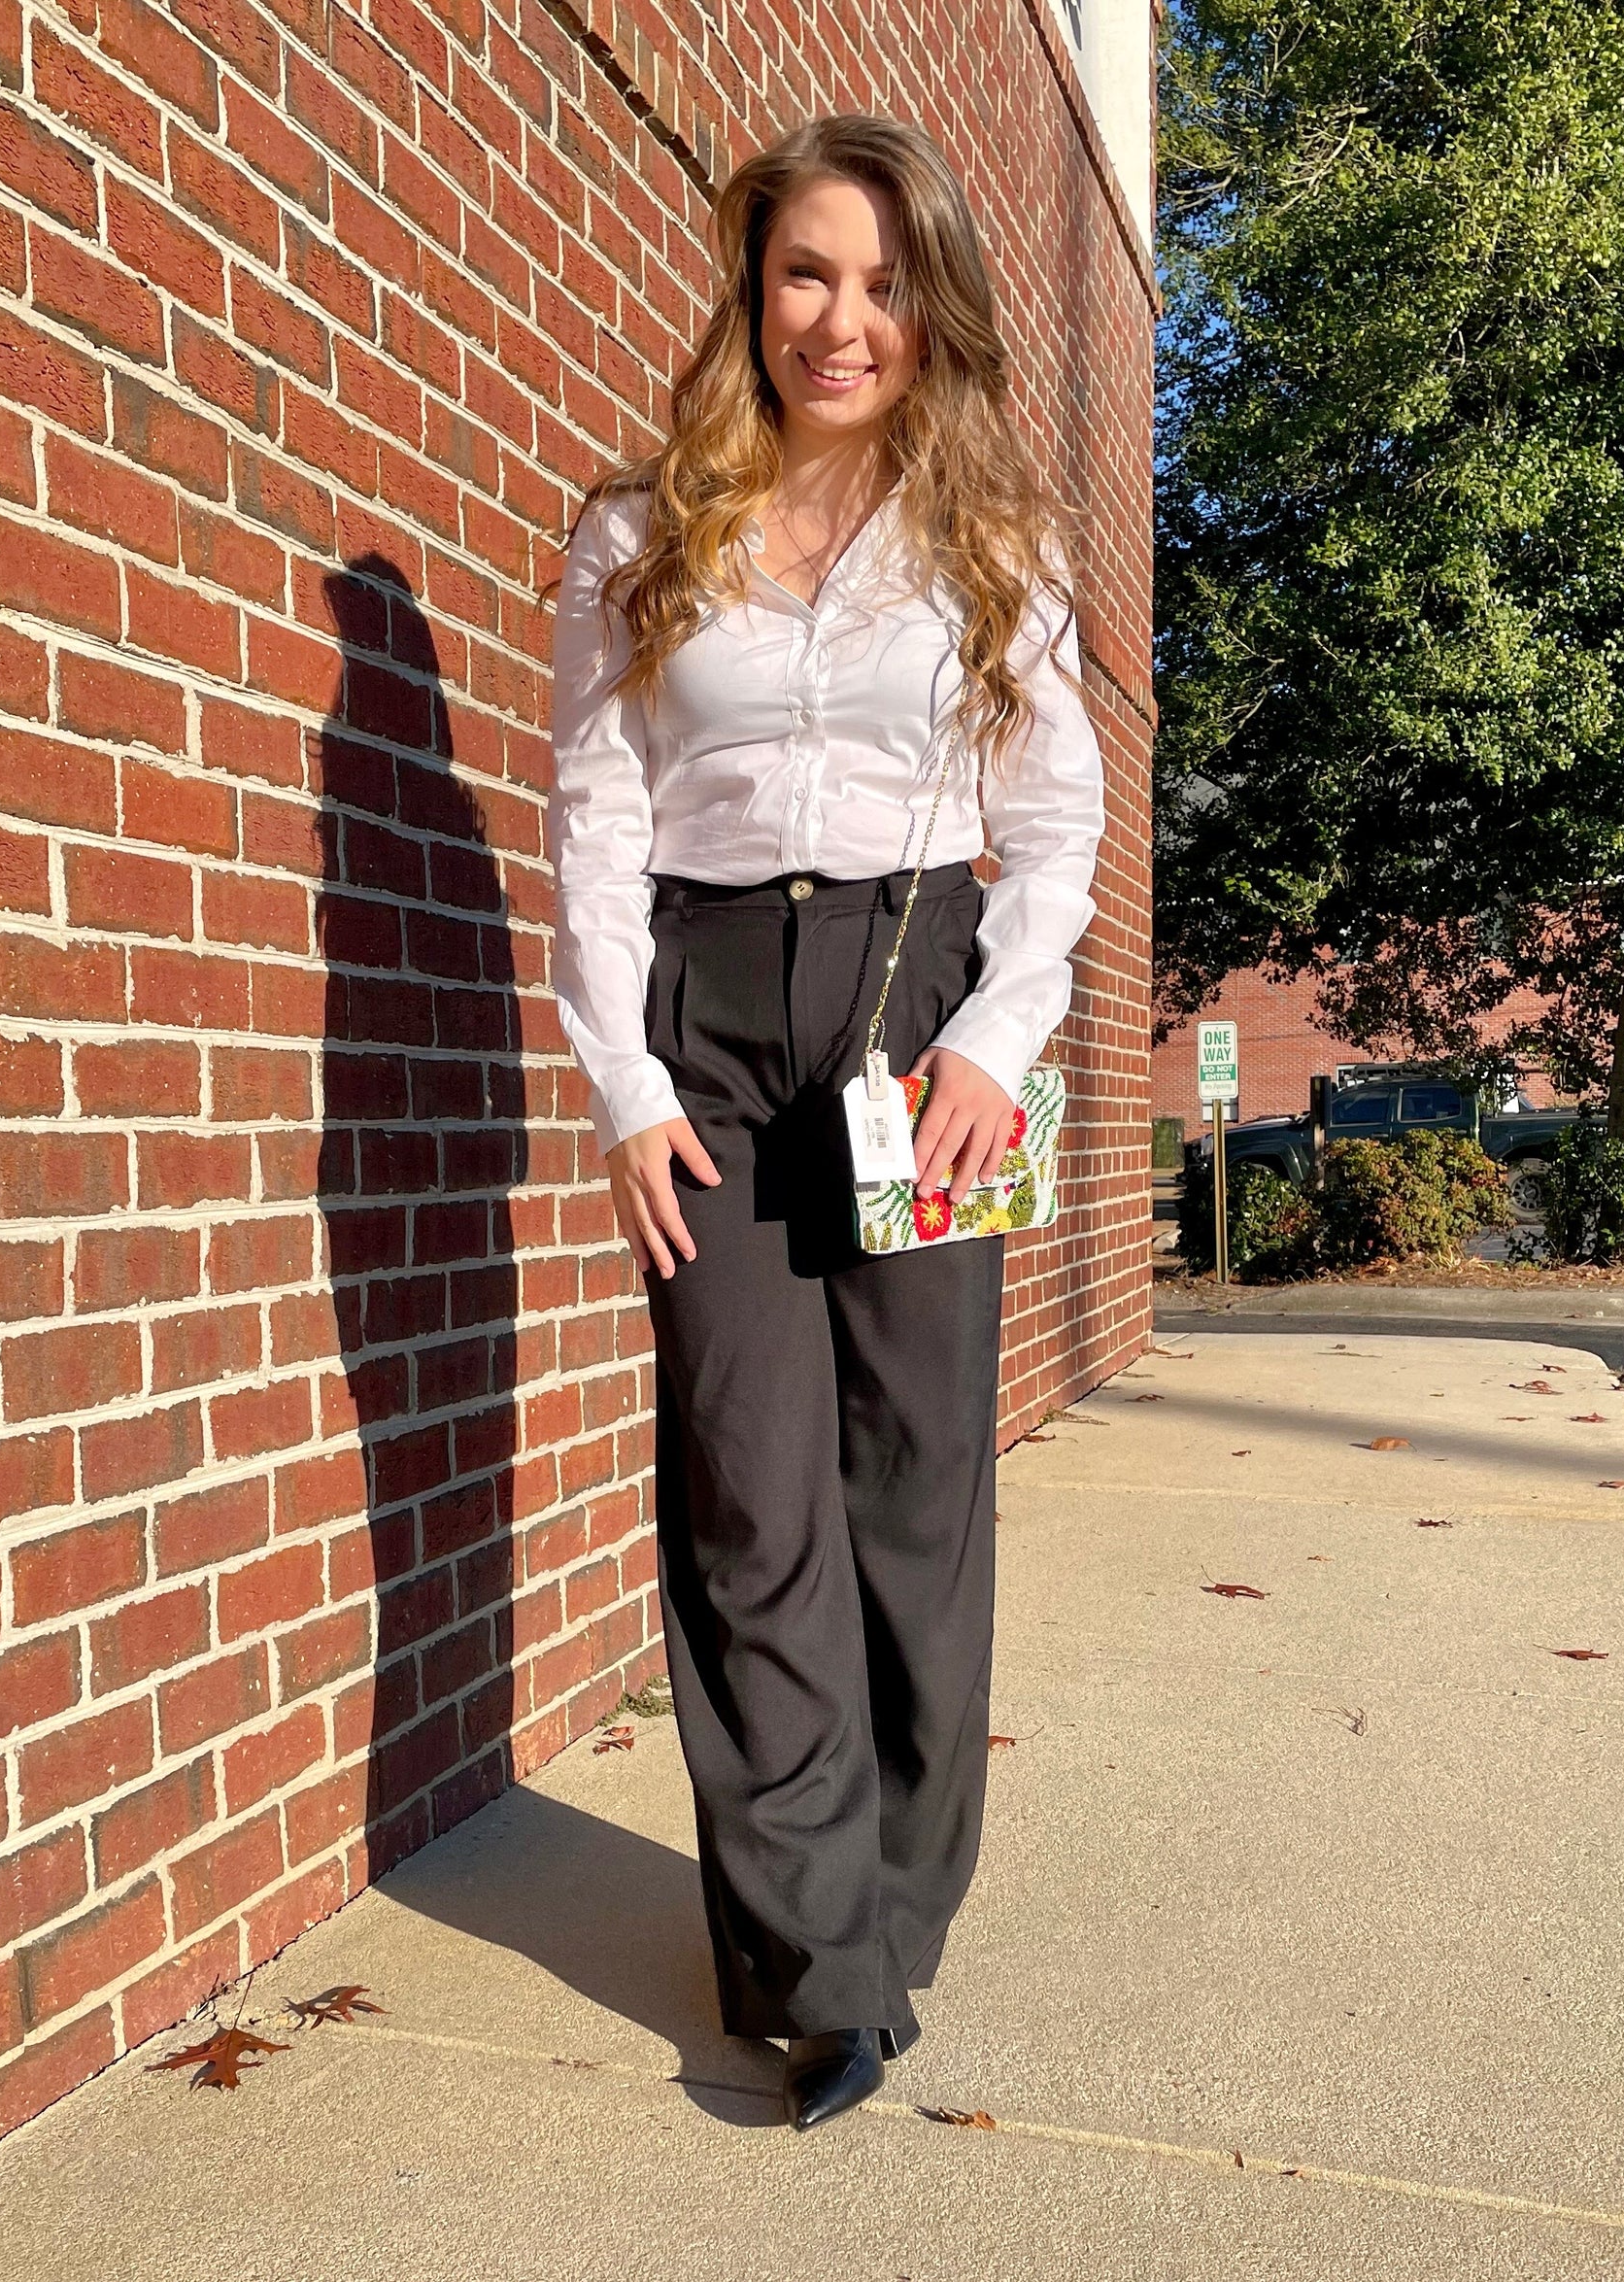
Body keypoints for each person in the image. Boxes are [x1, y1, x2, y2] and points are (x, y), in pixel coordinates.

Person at [546, 112, 1104, 2131]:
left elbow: (1055, 826)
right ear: (751, 288)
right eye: (803, 272)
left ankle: (895, 1898)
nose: (837, 319)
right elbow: (595, 824)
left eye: (878, 282)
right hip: (704, 1022)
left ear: (926, 306)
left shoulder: (995, 541)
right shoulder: (637, 532)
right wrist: (622, 1087)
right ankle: (814, 1961)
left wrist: (997, 1041)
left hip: (914, 1013)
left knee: (912, 1484)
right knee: (744, 1484)